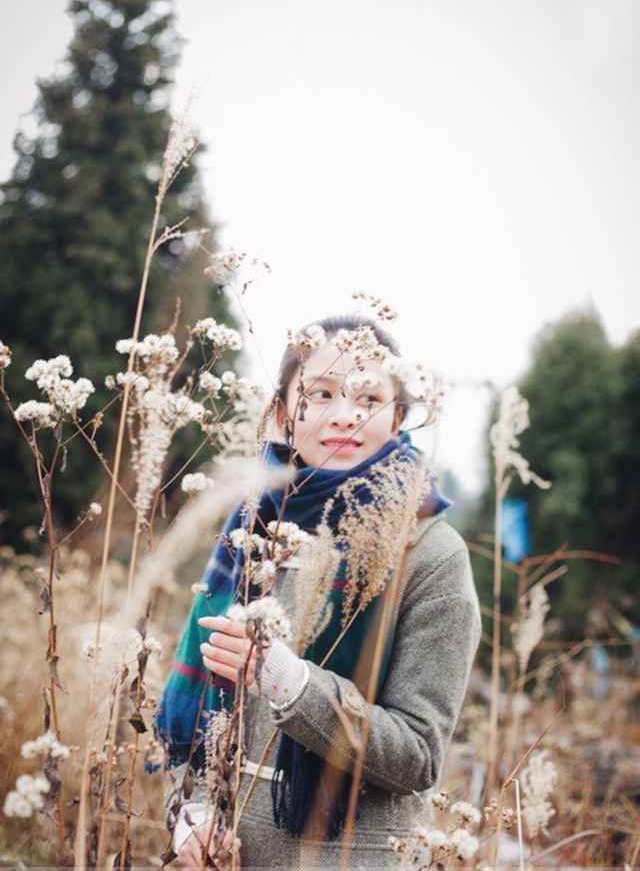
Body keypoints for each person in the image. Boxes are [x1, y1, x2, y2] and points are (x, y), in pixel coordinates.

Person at [154, 314, 482, 870]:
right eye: (321, 393)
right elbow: (200, 720)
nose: (345, 416)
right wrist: (193, 815)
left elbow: (418, 754)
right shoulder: (249, 530)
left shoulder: (431, 554)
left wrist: (288, 680)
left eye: (369, 397)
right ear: (283, 411)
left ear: (399, 414)